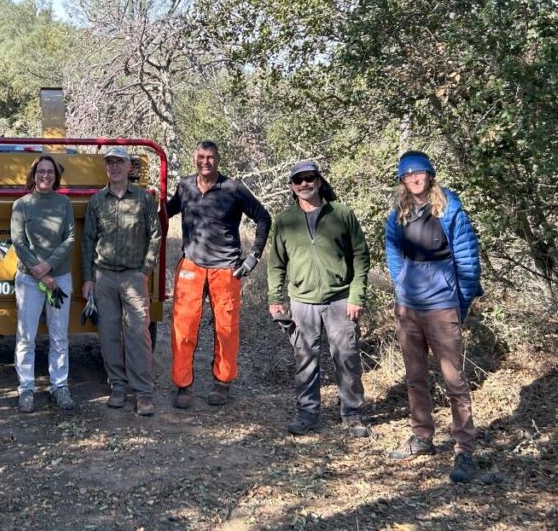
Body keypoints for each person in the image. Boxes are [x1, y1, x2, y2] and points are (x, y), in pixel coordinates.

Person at [384, 150, 483, 483]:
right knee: (415, 378)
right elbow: (392, 250)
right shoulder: (399, 211)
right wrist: (401, 286)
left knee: (454, 380)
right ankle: (422, 437)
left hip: (442, 306)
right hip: (409, 308)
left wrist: (461, 303)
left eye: (420, 172)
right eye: (408, 174)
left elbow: (468, 260)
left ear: (430, 175)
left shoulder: (450, 208)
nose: (414, 178)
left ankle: (464, 450)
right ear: (402, 179)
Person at [266, 160, 371, 437]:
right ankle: (308, 414)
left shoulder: (342, 214)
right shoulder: (285, 220)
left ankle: (352, 414)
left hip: (340, 298)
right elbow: (276, 263)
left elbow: (361, 255)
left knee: (346, 356)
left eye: (309, 178)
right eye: (298, 180)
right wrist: (275, 298)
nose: (304, 184)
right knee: (305, 358)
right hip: (302, 301)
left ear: (319, 181)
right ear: (291, 186)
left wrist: (356, 295)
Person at [167, 140, 272, 408]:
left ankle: (222, 383)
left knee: (226, 329)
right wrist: (148, 203)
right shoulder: (186, 186)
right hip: (191, 265)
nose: (205, 161)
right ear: (194, 158)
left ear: (218, 159)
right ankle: (183, 387)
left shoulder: (233, 188)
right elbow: (166, 212)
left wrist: (253, 257)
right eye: (201, 156)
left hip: (226, 268)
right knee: (183, 326)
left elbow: (263, 217)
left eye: (210, 157)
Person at [82, 146, 162, 416]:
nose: (114, 167)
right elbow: (88, 241)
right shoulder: (97, 201)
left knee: (138, 334)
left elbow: (156, 235)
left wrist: (145, 269)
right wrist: (88, 279)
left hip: (133, 276)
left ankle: (143, 393)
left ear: (130, 167)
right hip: (103, 276)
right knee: (108, 334)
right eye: (110, 163)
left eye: (119, 163)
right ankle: (117, 387)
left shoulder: (143, 199)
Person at [11, 155, 77, 412]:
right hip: (29, 281)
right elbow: (19, 242)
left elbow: (70, 237)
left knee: (59, 336)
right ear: (34, 174)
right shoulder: (21, 205)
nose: (45, 176)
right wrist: (40, 273)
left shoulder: (64, 203)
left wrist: (49, 266)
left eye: (50, 172)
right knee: (26, 337)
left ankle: (59, 386)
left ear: (56, 176)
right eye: (41, 171)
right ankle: (26, 389)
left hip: (59, 279)